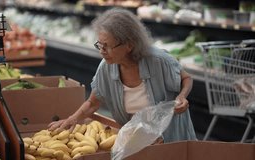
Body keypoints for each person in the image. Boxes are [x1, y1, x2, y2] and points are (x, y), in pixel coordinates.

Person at [48, 8, 197, 143]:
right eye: (99, 45)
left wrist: (181, 97)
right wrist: (72, 119)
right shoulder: (106, 68)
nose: (102, 51)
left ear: (129, 45)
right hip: (136, 141)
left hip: (173, 140)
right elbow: (93, 103)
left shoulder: (159, 60)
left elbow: (186, 78)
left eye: (107, 46)